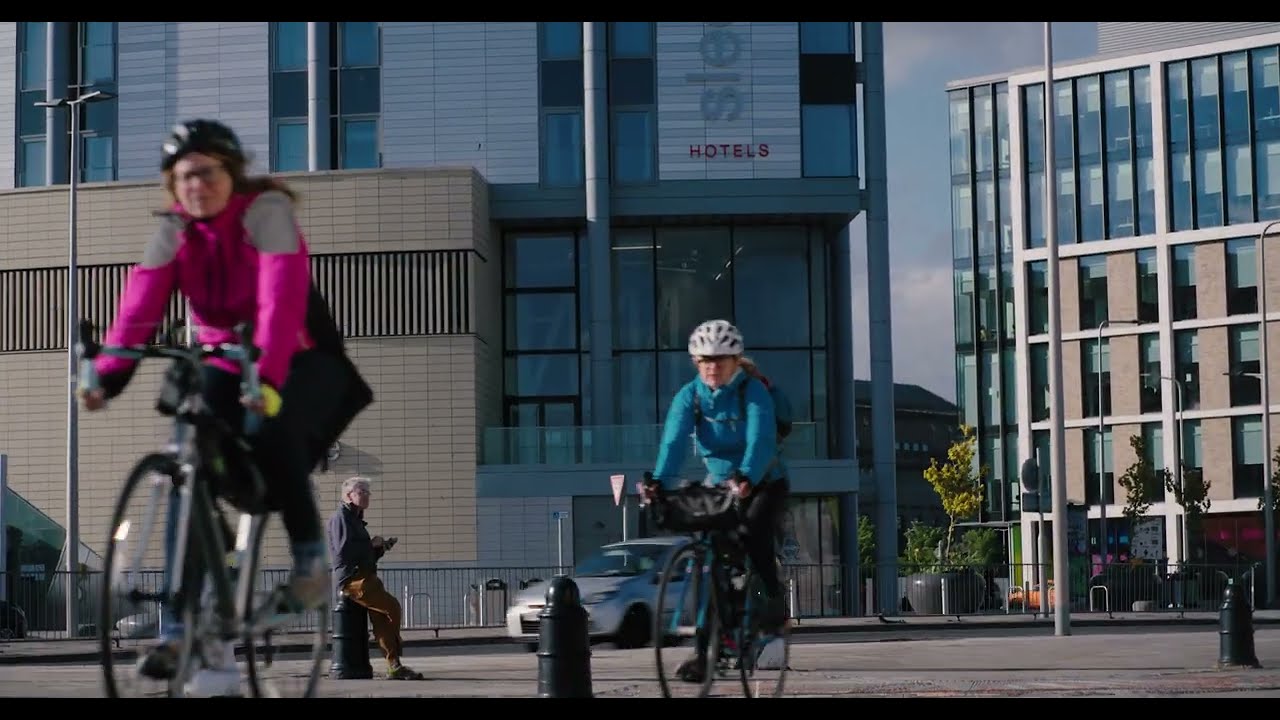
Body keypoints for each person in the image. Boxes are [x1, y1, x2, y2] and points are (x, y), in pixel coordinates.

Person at [81, 119, 373, 694]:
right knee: (191, 460)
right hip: (221, 353)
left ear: (230, 172)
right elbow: (139, 307)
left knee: (270, 424)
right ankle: (180, 622)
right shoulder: (174, 230)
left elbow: (280, 296)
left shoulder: (264, 213)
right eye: (184, 176)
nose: (196, 184)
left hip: (296, 350)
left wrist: (264, 376)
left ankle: (312, 564)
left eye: (207, 172)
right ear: (173, 184)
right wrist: (107, 377)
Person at [640, 319, 791, 684]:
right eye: (705, 360)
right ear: (695, 361)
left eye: (721, 360)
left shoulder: (752, 391)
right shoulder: (689, 396)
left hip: (763, 478)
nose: (713, 366)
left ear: (735, 361)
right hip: (719, 481)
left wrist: (746, 478)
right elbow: (674, 443)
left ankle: (772, 603)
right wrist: (658, 481)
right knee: (708, 560)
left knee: (754, 535)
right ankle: (708, 652)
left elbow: (761, 440)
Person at [327, 477, 424, 680]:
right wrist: (371, 544)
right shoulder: (341, 518)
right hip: (353, 580)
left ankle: (394, 666)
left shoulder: (354, 519)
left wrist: (380, 548)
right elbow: (344, 551)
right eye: (362, 491)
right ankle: (395, 657)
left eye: (367, 491)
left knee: (382, 618)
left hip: (365, 578)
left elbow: (362, 553)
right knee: (392, 607)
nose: (367, 495)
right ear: (348, 495)